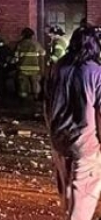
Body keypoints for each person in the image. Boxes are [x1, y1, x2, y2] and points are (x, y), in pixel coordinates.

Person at [45, 26, 101, 219]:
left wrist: (52, 131)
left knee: (67, 187)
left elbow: (47, 103)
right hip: (85, 142)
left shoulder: (59, 67)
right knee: (84, 192)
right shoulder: (95, 72)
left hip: (59, 138)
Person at [13, 27, 45, 101]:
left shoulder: (20, 44)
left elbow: (16, 56)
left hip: (22, 69)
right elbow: (43, 53)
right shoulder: (36, 43)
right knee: (35, 84)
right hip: (34, 69)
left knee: (23, 86)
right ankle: (36, 98)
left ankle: (23, 100)